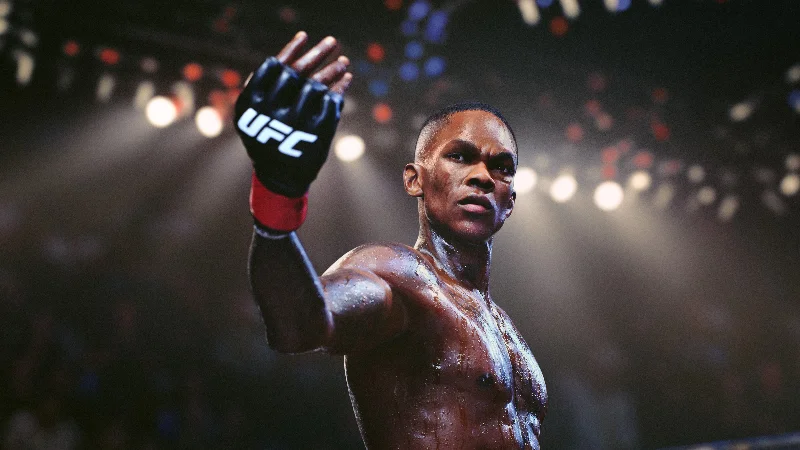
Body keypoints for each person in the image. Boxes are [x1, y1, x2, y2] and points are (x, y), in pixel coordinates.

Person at [235, 31, 547, 449]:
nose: (482, 177)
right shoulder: (399, 274)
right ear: (414, 180)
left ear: (510, 202)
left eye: (502, 167)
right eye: (459, 156)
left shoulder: (506, 328)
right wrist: (277, 195)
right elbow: (299, 325)